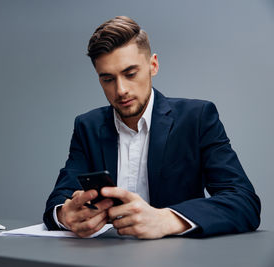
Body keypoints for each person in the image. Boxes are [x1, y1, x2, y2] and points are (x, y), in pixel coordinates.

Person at [43, 16, 261, 238]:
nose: (121, 90)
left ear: (153, 65)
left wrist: (168, 219)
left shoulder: (197, 118)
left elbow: (243, 201)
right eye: (108, 79)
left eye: (130, 74)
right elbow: (59, 199)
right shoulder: (87, 126)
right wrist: (64, 215)